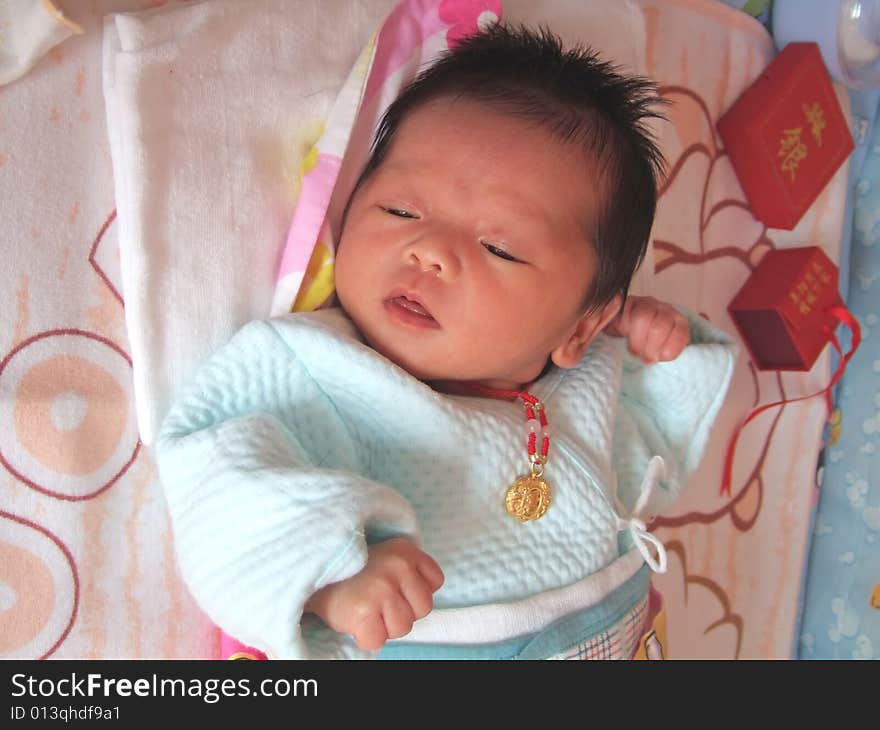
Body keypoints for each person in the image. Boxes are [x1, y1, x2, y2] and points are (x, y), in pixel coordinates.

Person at [155, 23, 735, 659]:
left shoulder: (589, 385)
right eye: (401, 210)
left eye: (499, 249)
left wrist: (651, 344)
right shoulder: (312, 367)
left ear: (577, 327)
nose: (429, 251)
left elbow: (663, 440)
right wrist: (335, 576)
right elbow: (217, 480)